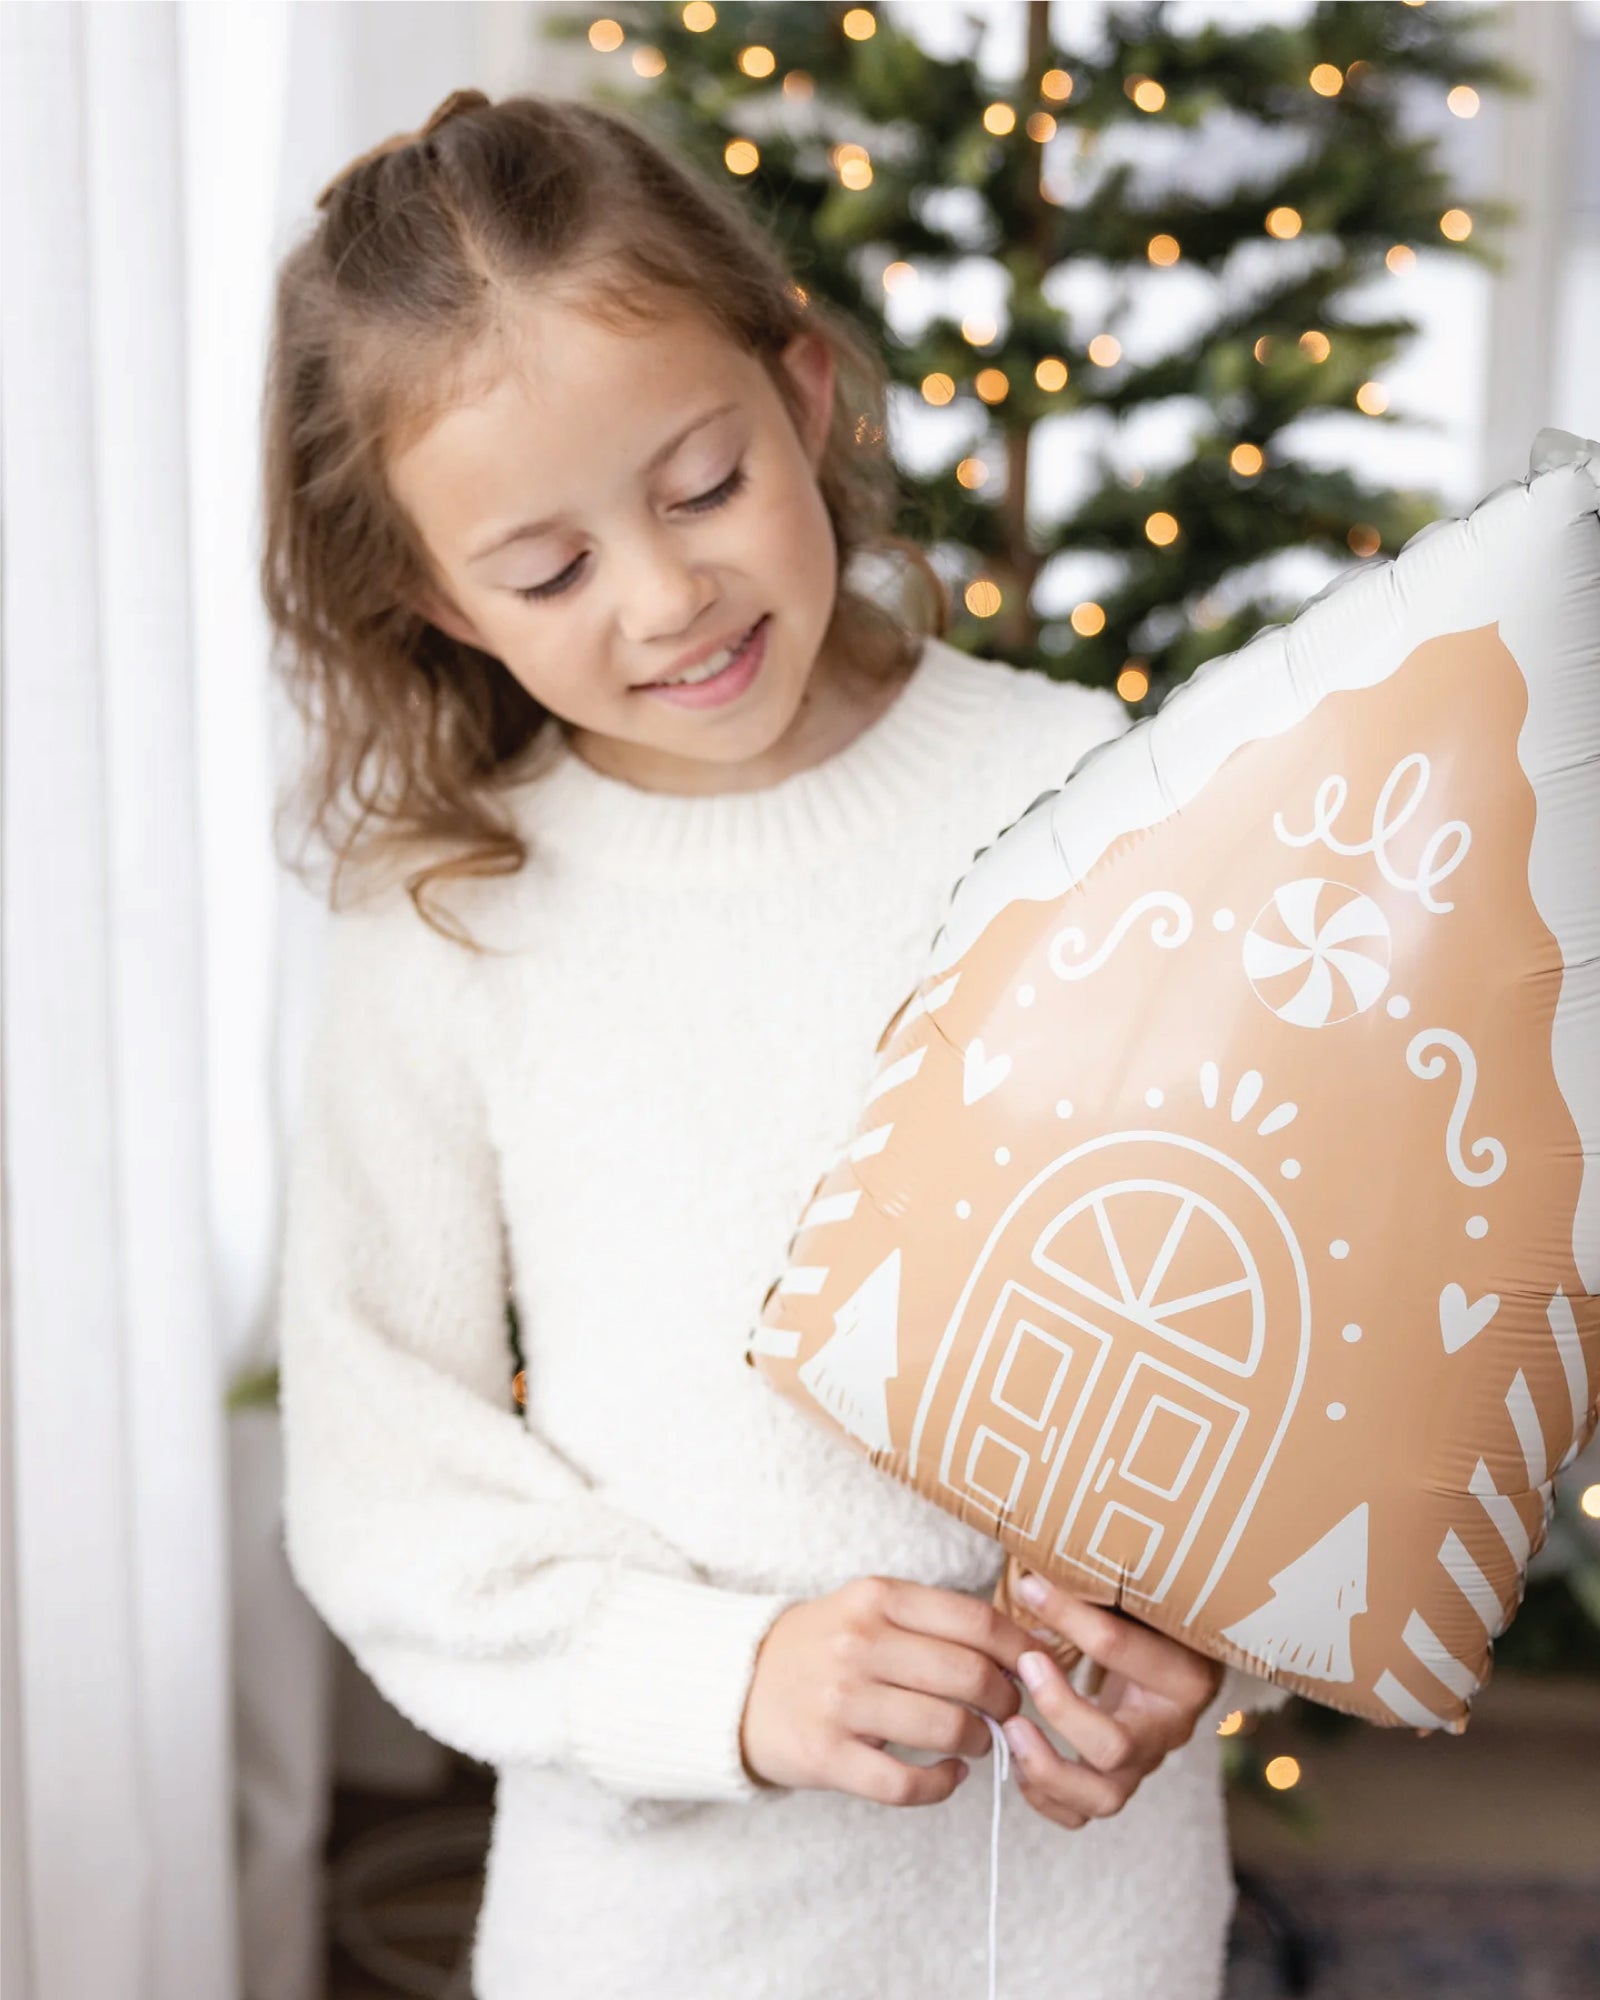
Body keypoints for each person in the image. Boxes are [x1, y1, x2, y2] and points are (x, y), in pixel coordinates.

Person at [266, 87, 1285, 2000]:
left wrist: (1211, 1633)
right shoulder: (448, 914)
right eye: (549, 572)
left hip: (1078, 1924)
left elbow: (1288, 1315)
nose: (667, 597)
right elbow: (381, 1465)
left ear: (804, 396)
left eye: (703, 484)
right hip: (653, 1929)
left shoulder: (1098, 797)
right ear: (433, 597)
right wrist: (720, 1681)